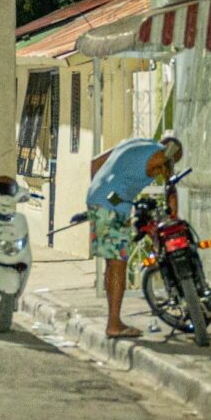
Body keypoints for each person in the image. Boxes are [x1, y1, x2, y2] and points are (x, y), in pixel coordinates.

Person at [82, 134, 182, 338]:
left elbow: (95, 164)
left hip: (99, 197)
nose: (160, 171)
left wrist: (109, 195)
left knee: (113, 261)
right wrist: (173, 217)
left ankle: (113, 319)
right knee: (119, 261)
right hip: (112, 206)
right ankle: (114, 324)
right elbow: (170, 188)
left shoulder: (130, 143)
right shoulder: (163, 156)